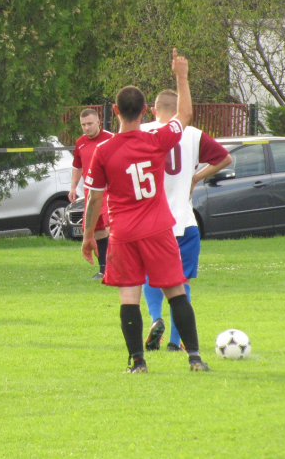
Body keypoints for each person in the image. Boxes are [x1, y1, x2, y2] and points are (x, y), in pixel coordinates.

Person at [81, 50, 210, 373]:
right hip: (157, 228)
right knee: (175, 291)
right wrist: (181, 75)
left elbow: (94, 199)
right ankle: (194, 357)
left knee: (129, 296)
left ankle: (138, 362)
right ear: (145, 111)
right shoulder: (156, 139)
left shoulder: (103, 151)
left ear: (114, 111)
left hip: (123, 233)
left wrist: (87, 236)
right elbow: (185, 115)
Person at [140, 90, 231, 352]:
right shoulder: (192, 133)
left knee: (150, 274)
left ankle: (155, 316)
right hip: (185, 221)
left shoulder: (144, 131)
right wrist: (195, 177)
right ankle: (174, 342)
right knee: (182, 284)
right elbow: (225, 158)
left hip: (152, 221)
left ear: (154, 110)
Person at [68, 109, 114, 280]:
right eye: (83, 125)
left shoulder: (111, 138)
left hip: (108, 191)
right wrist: (73, 187)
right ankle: (104, 270)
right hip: (90, 192)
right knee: (98, 231)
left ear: (99, 122)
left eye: (89, 124)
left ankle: (117, 267)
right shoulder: (80, 142)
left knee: (112, 228)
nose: (86, 128)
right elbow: (78, 166)